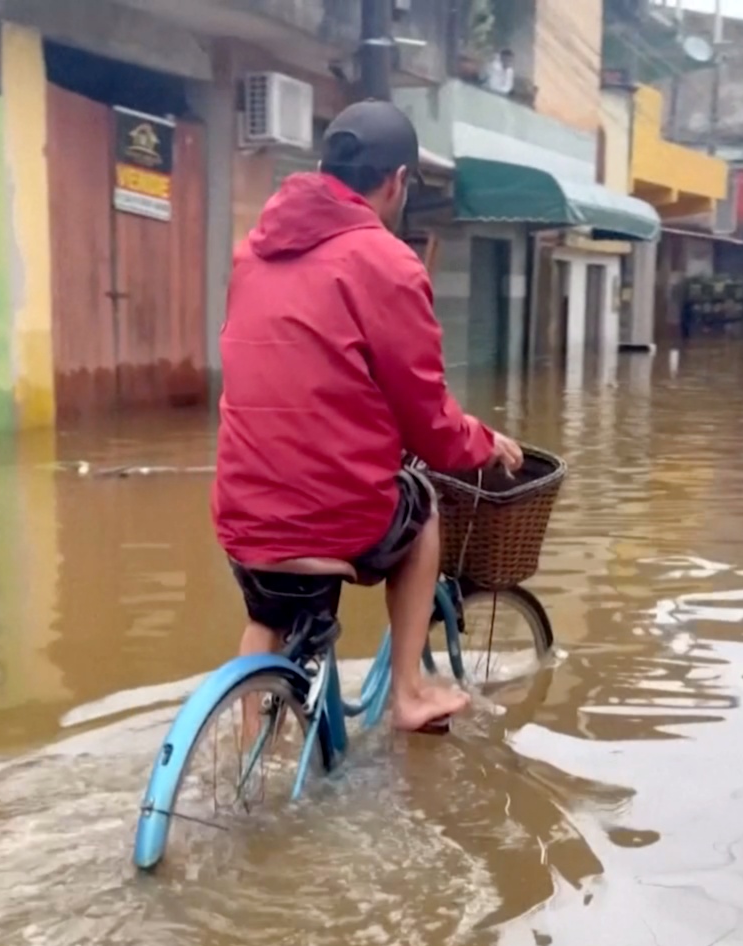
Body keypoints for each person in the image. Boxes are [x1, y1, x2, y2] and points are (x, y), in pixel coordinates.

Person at [212, 101, 524, 734]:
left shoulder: (253, 251)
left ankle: (252, 745)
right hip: (331, 517)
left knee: (269, 611)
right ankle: (409, 692)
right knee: (423, 505)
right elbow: (431, 426)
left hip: (241, 509)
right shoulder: (387, 262)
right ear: (398, 182)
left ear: (323, 169)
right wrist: (485, 442)